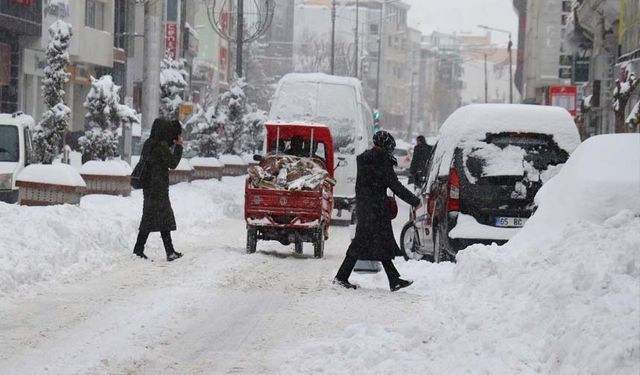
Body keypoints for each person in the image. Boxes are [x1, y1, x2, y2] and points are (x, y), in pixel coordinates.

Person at [334, 131, 421, 292]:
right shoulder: (382, 161)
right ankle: (341, 277)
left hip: (366, 208)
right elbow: (395, 185)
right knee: (364, 243)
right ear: (386, 146)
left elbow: (362, 186)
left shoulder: (364, 159)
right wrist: (414, 201)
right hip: (377, 209)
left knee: (380, 243)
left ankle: (394, 279)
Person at [133, 118, 184, 261]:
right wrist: (178, 147)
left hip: (148, 187)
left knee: (152, 218)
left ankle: (143, 249)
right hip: (159, 187)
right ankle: (166, 251)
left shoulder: (149, 144)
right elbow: (172, 163)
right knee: (162, 218)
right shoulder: (161, 146)